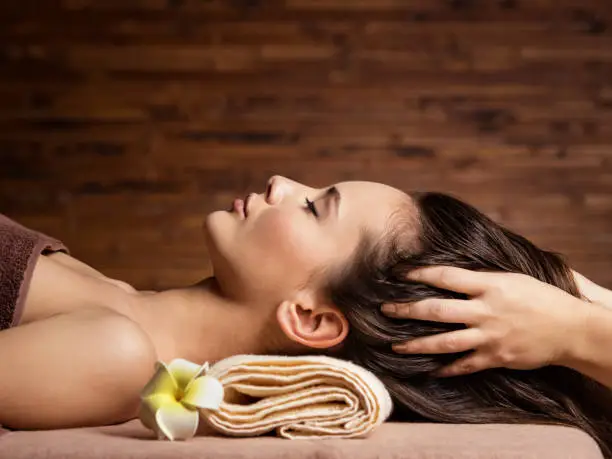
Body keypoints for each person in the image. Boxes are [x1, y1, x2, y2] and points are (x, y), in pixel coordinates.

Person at [1, 176, 611, 455]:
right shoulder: (106, 298)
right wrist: (565, 302)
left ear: (313, 321)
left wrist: (574, 328)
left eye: (317, 208)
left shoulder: (111, 354)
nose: (281, 181)